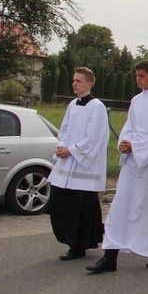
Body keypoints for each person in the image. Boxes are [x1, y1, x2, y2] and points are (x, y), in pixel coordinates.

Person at [86, 60, 148, 273]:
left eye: (142, 76)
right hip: (133, 163)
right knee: (120, 206)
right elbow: (129, 127)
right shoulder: (136, 100)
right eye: (136, 75)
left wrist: (136, 146)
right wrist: (124, 142)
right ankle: (110, 256)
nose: (137, 79)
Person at [48, 67, 109, 261]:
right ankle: (71, 241)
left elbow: (94, 137)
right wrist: (62, 145)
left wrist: (72, 150)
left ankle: (78, 245)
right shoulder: (73, 104)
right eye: (73, 80)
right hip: (67, 163)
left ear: (89, 84)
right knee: (58, 202)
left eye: (78, 81)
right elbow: (64, 129)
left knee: (78, 208)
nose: (74, 83)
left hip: (83, 165)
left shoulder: (97, 106)